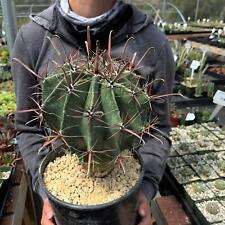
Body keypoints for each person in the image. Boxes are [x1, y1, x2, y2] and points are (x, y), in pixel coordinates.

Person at [12, 0, 175, 224]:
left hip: (125, 202)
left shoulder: (153, 42)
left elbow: (158, 130)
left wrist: (145, 189)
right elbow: (27, 127)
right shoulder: (32, 39)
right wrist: (45, 192)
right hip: (65, 199)